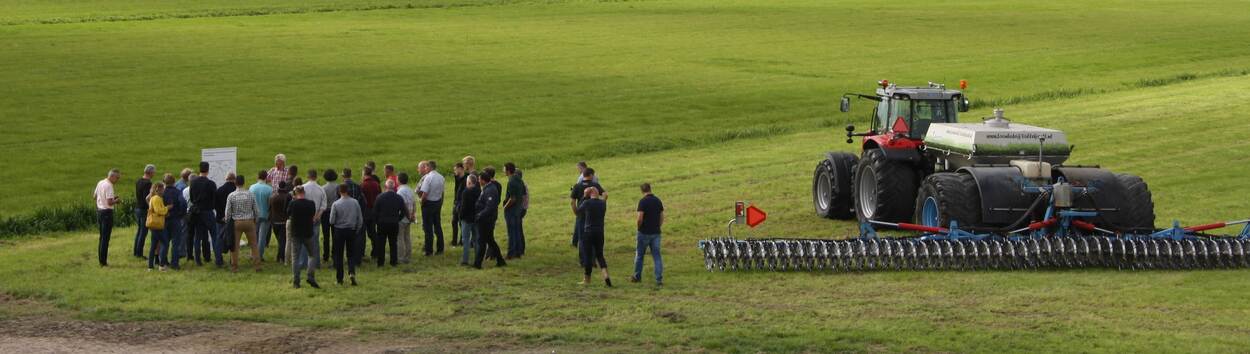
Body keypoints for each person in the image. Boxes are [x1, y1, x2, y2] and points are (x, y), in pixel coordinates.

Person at [224, 175, 261, 273]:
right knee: (254, 244)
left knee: (235, 245)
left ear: (235, 183)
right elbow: (256, 210)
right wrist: (256, 220)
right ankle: (257, 265)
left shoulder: (231, 195)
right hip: (249, 221)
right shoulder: (250, 194)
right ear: (244, 183)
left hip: (237, 222)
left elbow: (227, 212)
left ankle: (234, 267)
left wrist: (228, 221)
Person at [287, 185, 321, 289]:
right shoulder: (311, 203)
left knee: (295, 257)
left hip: (296, 233)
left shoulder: (293, 203)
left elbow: (288, 214)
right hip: (308, 232)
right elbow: (312, 214)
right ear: (304, 192)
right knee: (312, 255)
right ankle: (310, 276)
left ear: (295, 194)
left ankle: (296, 281)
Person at [329, 184, 363, 285]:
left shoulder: (336, 204)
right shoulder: (355, 202)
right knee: (351, 253)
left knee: (339, 255)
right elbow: (360, 219)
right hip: (351, 230)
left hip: (339, 230)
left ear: (339, 192)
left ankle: (340, 279)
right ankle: (352, 272)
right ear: (348, 191)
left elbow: (331, 220)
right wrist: (356, 229)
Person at [473, 167, 506, 269]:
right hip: (485, 219)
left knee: (482, 241)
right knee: (490, 241)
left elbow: (490, 207)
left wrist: (480, 215)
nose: (478, 181)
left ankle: (477, 264)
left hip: (486, 221)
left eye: (479, 179)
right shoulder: (488, 188)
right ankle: (500, 260)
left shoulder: (490, 190)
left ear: (483, 180)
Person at [578, 186, 611, 287]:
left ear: (589, 194)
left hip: (588, 232)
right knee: (600, 255)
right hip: (600, 232)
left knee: (588, 255)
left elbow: (579, 209)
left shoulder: (587, 203)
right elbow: (604, 199)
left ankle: (587, 279)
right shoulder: (602, 204)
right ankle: (606, 276)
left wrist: (584, 196)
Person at [633, 183, 664, 285]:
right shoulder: (658, 201)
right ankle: (658, 279)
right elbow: (661, 217)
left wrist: (639, 228)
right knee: (657, 256)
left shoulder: (643, 202)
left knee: (639, 255)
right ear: (650, 189)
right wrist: (658, 226)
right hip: (656, 233)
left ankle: (637, 276)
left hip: (644, 232)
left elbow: (640, 218)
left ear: (642, 191)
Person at [188, 162, 218, 267]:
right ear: (208, 170)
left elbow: (191, 198)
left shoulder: (193, 182)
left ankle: (197, 260)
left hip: (197, 212)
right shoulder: (211, 184)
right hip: (208, 211)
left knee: (197, 237)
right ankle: (218, 260)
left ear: (199, 169)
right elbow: (215, 199)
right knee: (214, 235)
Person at [570, 168, 606, 247]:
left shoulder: (577, 186)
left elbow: (572, 202)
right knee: (592, 235)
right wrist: (602, 203)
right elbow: (605, 194)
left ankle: (582, 255)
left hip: (581, 212)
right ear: (591, 175)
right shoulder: (595, 185)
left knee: (581, 235)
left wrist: (576, 212)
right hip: (593, 213)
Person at [374, 180, 407, 267]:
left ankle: (380, 262)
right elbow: (404, 211)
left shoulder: (379, 197)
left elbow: (375, 212)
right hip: (394, 223)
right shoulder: (399, 197)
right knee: (393, 243)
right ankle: (393, 262)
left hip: (382, 223)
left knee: (381, 243)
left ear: (385, 187)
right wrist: (397, 219)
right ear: (394, 187)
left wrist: (377, 221)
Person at [94, 169, 122, 266]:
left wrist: (101, 201)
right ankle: (103, 261)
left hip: (99, 211)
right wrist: (116, 200)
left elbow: (94, 196)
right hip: (107, 212)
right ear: (112, 176)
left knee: (101, 237)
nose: (117, 180)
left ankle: (100, 259)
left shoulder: (100, 182)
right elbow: (110, 202)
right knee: (106, 238)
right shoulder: (109, 185)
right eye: (117, 178)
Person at [418, 161, 446, 256]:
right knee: (437, 225)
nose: (425, 169)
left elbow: (424, 193)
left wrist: (421, 201)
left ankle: (429, 250)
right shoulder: (441, 177)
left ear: (429, 167)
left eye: (425, 167)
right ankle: (440, 248)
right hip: (437, 202)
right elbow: (442, 192)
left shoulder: (428, 178)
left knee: (428, 228)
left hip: (428, 204)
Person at [340, 168, 365, 266]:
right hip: (355, 214)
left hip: (343, 216)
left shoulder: (340, 187)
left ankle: (345, 259)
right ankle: (357, 259)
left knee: (343, 240)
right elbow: (362, 201)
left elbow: (338, 201)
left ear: (343, 176)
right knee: (356, 238)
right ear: (350, 175)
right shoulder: (357, 186)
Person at [162, 173, 188, 270]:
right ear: (174, 182)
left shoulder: (162, 193)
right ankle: (175, 263)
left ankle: (163, 262)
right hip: (175, 219)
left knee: (165, 242)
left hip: (164, 219)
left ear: (164, 182)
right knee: (176, 242)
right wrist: (181, 214)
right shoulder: (177, 192)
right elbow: (183, 203)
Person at [302, 170, 328, 266]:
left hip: (305, 218)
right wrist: (318, 215)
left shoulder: (303, 187)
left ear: (308, 176)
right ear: (316, 177)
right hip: (316, 217)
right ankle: (316, 262)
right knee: (315, 241)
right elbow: (323, 205)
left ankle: (304, 263)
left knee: (305, 240)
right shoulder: (321, 189)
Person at [503, 162, 528, 259]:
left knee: (511, 233)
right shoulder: (519, 180)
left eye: (504, 169)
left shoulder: (511, 181)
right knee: (517, 231)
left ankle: (511, 253)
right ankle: (518, 252)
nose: (503, 171)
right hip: (518, 209)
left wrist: (505, 207)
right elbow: (523, 194)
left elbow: (512, 198)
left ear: (508, 171)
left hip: (511, 211)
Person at [211, 172, 236, 266]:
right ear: (234, 179)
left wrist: (222, 215)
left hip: (220, 218)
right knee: (233, 238)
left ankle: (218, 260)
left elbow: (214, 205)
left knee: (219, 238)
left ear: (226, 179)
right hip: (233, 219)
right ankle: (232, 260)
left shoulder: (219, 190)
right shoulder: (235, 190)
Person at [251, 171, 275, 261]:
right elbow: (270, 203)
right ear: (266, 177)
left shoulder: (252, 187)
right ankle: (259, 255)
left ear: (258, 176)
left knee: (254, 236)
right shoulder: (269, 189)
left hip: (254, 215)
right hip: (265, 215)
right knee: (262, 237)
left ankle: (252, 254)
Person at [457, 174, 480, 266]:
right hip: (476, 217)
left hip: (466, 219)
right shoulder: (479, 191)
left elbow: (464, 207)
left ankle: (465, 259)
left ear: (469, 182)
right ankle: (478, 258)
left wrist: (460, 216)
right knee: (476, 239)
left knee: (465, 240)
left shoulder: (466, 192)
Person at [133, 164, 156, 260]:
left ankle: (136, 251)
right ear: (150, 172)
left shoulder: (138, 181)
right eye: (154, 172)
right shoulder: (148, 183)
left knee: (139, 231)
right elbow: (147, 198)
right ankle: (139, 253)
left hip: (138, 208)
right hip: (143, 209)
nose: (154, 174)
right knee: (143, 232)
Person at [145, 182, 169, 271]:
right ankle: (162, 265)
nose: (164, 191)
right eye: (163, 189)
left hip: (153, 224)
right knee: (165, 243)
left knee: (153, 245)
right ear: (158, 189)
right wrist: (167, 208)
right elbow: (159, 211)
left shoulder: (153, 198)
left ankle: (150, 266)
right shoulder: (157, 198)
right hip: (157, 224)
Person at [361, 166, 382, 261]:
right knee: (373, 232)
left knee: (362, 233)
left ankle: (362, 253)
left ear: (364, 173)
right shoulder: (376, 184)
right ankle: (376, 252)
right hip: (374, 210)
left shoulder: (362, 185)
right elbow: (380, 196)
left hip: (365, 211)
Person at [396, 173, 417, 264]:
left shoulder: (400, 192)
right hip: (410, 217)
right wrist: (412, 215)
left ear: (399, 180)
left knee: (400, 238)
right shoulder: (410, 189)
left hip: (403, 217)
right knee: (407, 237)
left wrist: (408, 215)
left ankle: (400, 257)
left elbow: (402, 206)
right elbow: (414, 203)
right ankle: (408, 256)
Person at [320, 169, 340, 264]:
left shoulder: (323, 188)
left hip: (325, 213)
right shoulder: (338, 187)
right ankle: (335, 253)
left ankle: (326, 255)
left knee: (326, 235)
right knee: (335, 234)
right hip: (336, 212)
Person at [269, 181, 292, 263]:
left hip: (274, 221)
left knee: (280, 240)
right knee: (283, 240)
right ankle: (281, 257)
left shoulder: (273, 196)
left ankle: (280, 256)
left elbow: (270, 209)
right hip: (284, 221)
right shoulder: (288, 196)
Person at [450, 162, 466, 247]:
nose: (454, 171)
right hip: (456, 203)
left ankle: (462, 240)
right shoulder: (457, 178)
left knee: (461, 222)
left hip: (462, 203)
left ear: (460, 168)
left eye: (456, 169)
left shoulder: (466, 178)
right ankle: (454, 240)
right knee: (454, 222)